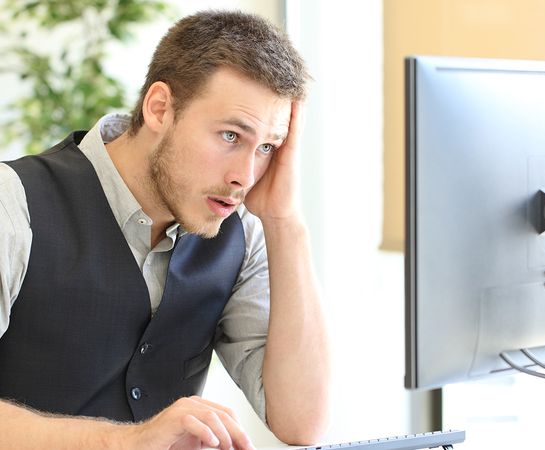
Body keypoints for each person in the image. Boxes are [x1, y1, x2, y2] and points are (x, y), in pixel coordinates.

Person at [0, 9, 330, 450]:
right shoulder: (14, 201)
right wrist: (127, 442)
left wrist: (286, 222)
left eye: (267, 147)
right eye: (231, 136)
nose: (245, 176)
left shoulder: (242, 232)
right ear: (160, 108)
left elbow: (301, 422)